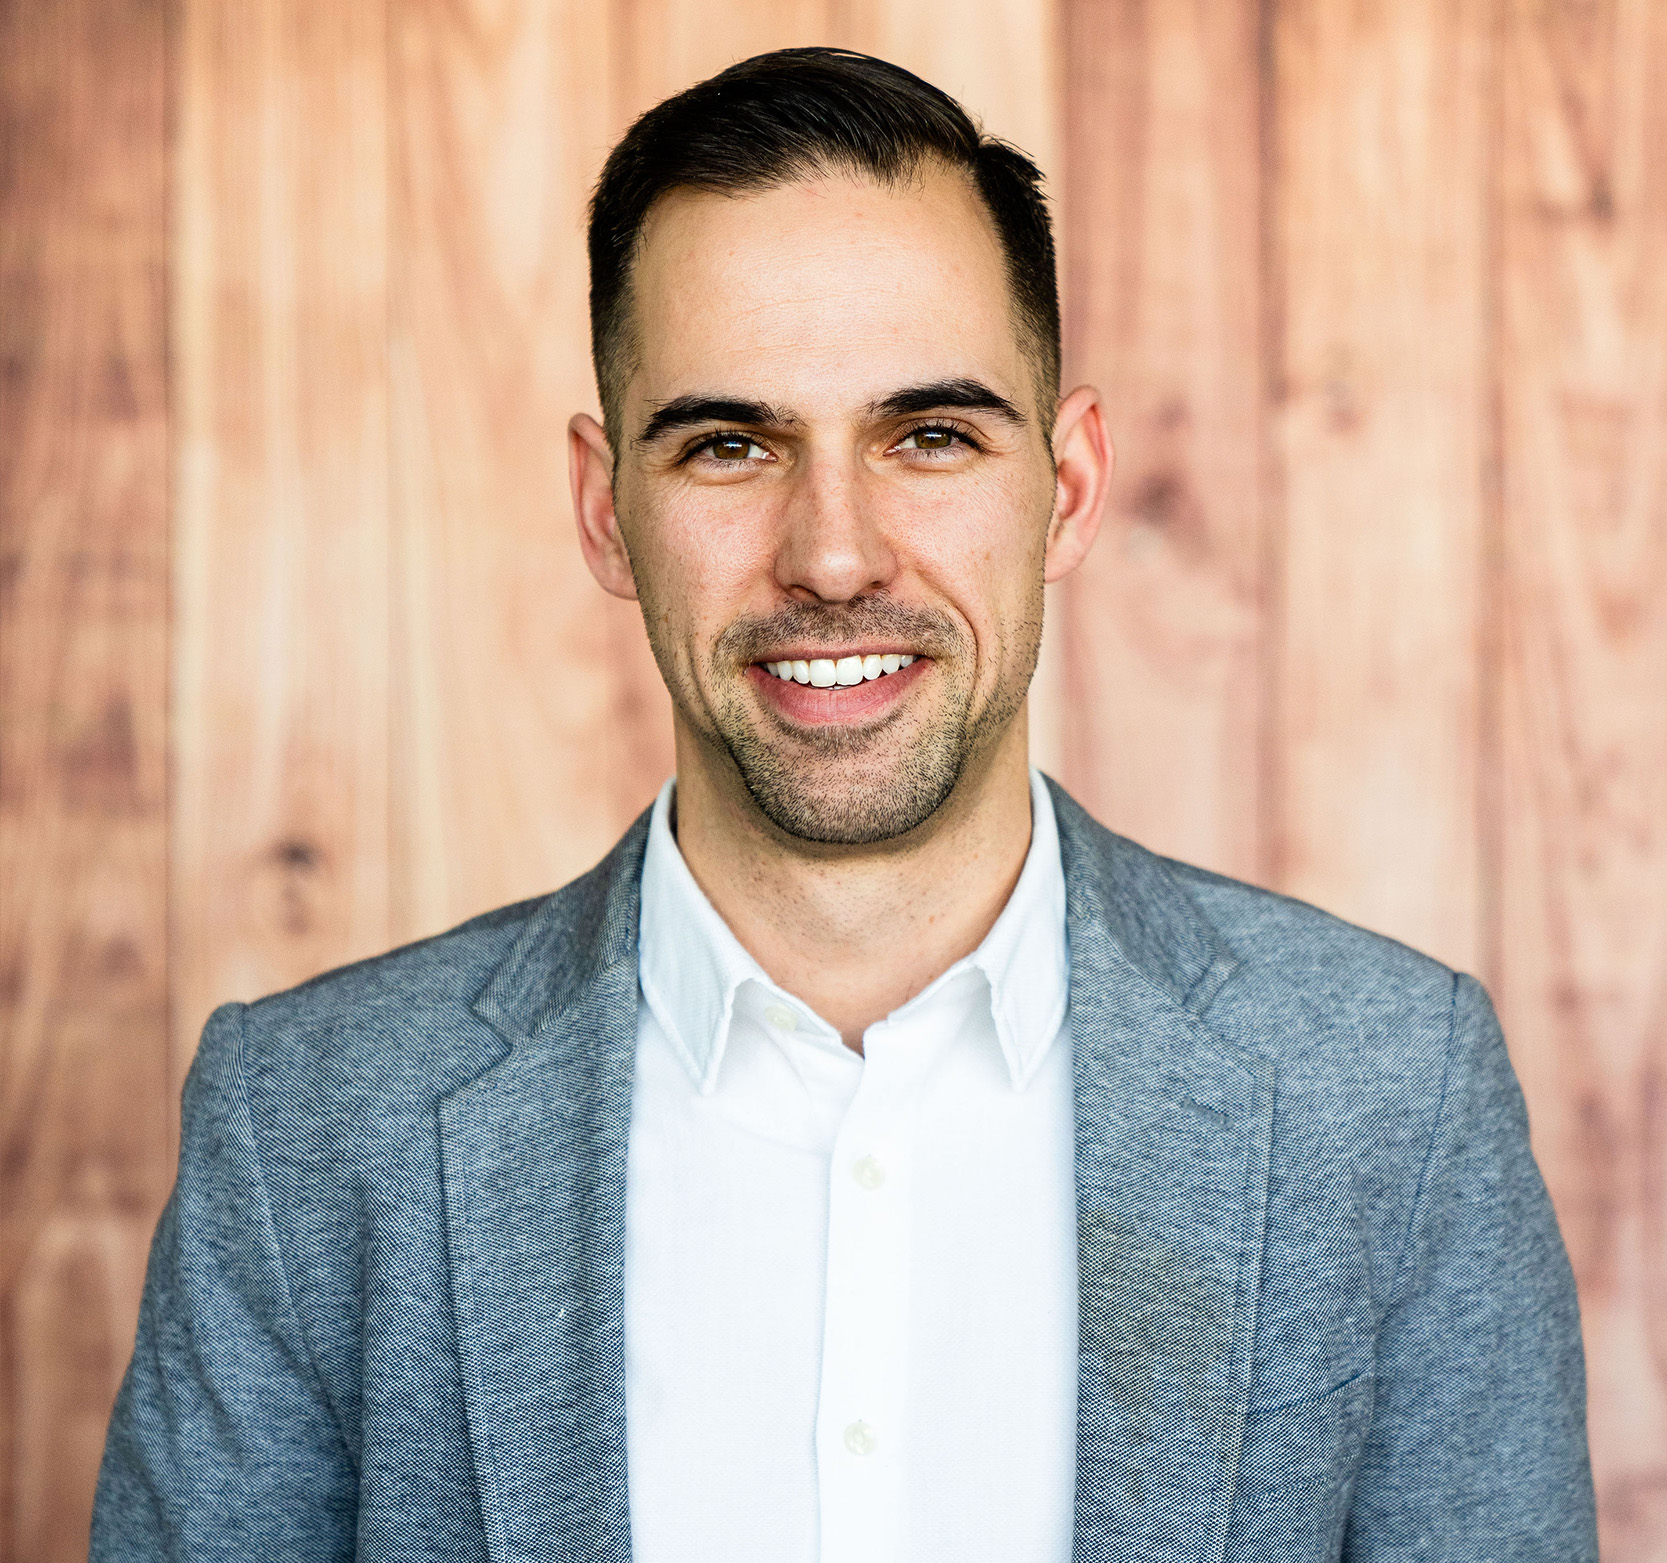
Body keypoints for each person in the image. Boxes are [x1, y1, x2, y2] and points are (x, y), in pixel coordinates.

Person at [91, 47, 1596, 1563]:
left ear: (1068, 488)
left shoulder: (1391, 1098)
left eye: (930, 436)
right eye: (729, 446)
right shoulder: (306, 1130)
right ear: (606, 510)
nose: (830, 555)